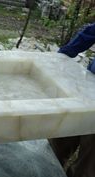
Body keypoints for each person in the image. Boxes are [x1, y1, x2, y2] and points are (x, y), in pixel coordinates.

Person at [50, 23, 95, 177]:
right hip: (89, 85)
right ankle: (48, 168)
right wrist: (63, 54)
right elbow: (90, 33)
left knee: (88, 162)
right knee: (62, 137)